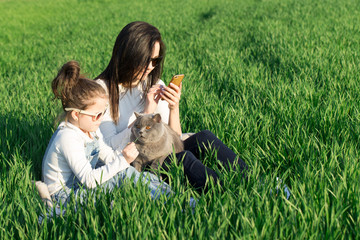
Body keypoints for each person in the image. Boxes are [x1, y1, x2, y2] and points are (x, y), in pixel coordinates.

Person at [95, 21, 249, 193]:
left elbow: (175, 140)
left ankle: (251, 181)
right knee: (183, 159)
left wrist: (173, 107)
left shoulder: (153, 84)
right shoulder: (101, 91)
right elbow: (107, 149)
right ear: (128, 55)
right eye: (145, 60)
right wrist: (147, 112)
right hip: (137, 164)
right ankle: (229, 192)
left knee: (204, 137)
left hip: (161, 151)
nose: (150, 67)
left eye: (155, 60)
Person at [41, 60, 173, 208]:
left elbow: (106, 154)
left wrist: (124, 161)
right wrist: (122, 160)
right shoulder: (67, 138)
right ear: (76, 115)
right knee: (121, 178)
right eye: (97, 115)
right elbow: (89, 180)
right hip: (66, 195)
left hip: (81, 183)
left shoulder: (91, 128)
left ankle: (175, 198)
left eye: (103, 113)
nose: (101, 119)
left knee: (129, 173)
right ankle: (170, 204)